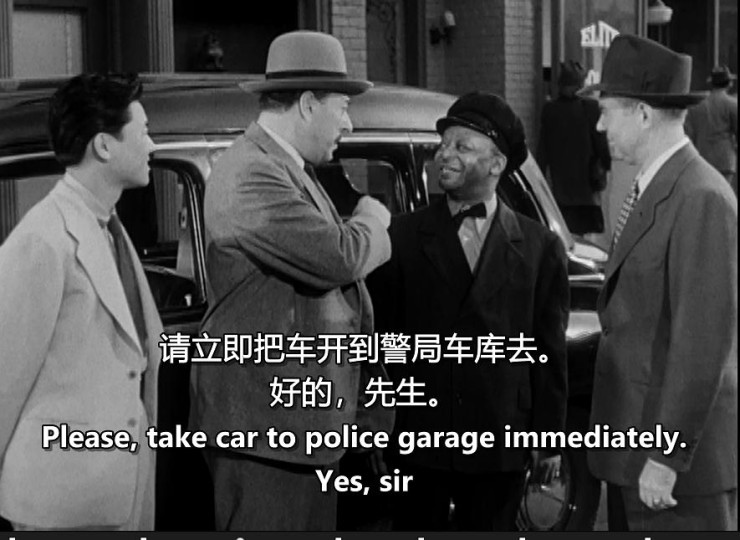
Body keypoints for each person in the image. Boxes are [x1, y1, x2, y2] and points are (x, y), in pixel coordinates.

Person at [188, 31, 394, 531]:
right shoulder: (251, 174)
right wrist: (373, 218)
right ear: (306, 104)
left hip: (295, 431)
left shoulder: (284, 167)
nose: (348, 123)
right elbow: (339, 257)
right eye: (342, 107)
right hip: (266, 433)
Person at [368, 92, 569, 531]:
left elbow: (548, 352)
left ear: (496, 164)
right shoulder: (400, 237)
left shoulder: (541, 248)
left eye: (462, 146)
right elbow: (379, 341)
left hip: (499, 440)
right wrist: (376, 422)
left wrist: (549, 438)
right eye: (443, 145)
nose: (445, 155)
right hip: (419, 440)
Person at [580, 34, 737, 531]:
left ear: (644, 114)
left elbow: (702, 342)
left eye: (607, 111)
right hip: (632, 452)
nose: (600, 125)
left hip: (671, 474)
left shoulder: (701, 196)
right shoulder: (656, 185)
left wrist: (667, 455)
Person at [0, 73, 162, 530]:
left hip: (115, 487)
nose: (152, 146)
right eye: (143, 132)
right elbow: (4, 379)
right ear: (104, 146)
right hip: (61, 502)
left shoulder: (109, 226)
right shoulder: (43, 238)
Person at [537, 60, 611, 236]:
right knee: (586, 236)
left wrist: (540, 182)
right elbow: (601, 146)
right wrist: (606, 165)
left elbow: (542, 152)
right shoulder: (590, 108)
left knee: (565, 234)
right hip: (586, 188)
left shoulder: (550, 110)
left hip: (561, 190)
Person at [685, 65, 738, 193]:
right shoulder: (732, 104)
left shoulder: (696, 106)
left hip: (702, 159)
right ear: (729, 83)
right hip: (725, 161)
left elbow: (689, 134)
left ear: (711, 83)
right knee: (724, 194)